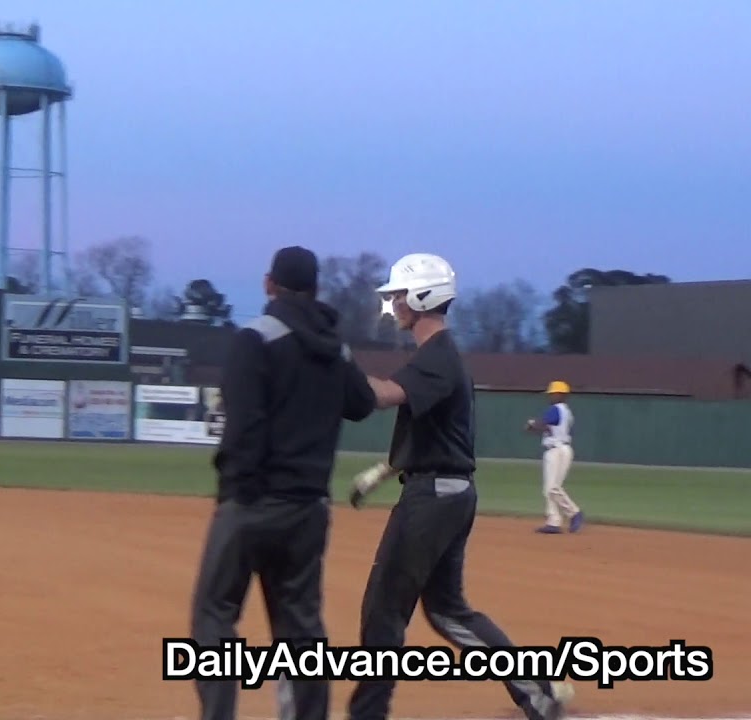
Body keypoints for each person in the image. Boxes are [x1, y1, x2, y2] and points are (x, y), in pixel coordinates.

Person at [346, 253, 572, 720]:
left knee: (383, 610)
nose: (392, 304)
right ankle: (537, 691)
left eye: (398, 295)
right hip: (446, 494)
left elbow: (382, 396)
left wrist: (336, 364)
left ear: (422, 297)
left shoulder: (438, 357)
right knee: (447, 610)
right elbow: (422, 435)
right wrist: (381, 474)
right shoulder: (436, 358)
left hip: (433, 499)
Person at [188, 246, 377, 720]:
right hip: (308, 506)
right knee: (301, 629)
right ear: (316, 289)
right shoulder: (336, 345)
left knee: (215, 617)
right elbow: (360, 403)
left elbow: (244, 425)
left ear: (269, 283)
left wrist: (237, 488)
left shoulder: (255, 338)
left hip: (253, 503)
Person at [525, 381, 583, 534]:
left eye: (553, 393)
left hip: (556, 451)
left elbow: (541, 423)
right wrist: (538, 427)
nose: (550, 396)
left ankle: (574, 512)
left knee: (552, 488)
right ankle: (554, 521)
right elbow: (549, 427)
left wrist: (532, 424)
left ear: (561, 395)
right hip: (562, 448)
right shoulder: (567, 412)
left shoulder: (556, 409)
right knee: (551, 488)